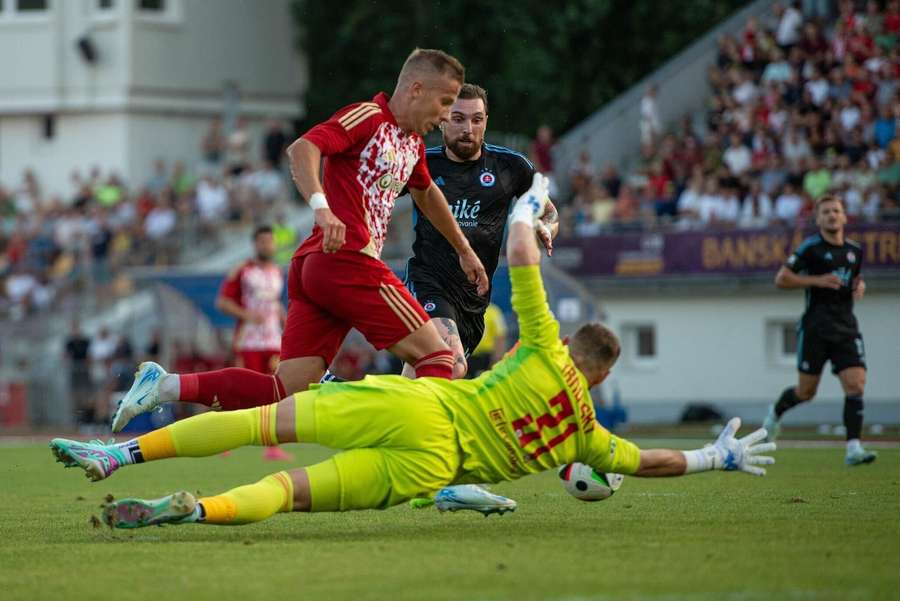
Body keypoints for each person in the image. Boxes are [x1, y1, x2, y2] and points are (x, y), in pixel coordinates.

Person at [49, 175, 776, 529]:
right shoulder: (587, 435)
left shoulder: (543, 348)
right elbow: (650, 462)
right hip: (429, 462)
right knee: (290, 491)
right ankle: (201, 510)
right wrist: (718, 457)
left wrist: (531, 201)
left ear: (570, 345)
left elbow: (521, 254)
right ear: (605, 373)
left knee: (260, 422)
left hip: (410, 401)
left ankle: (119, 456)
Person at [109, 48, 487, 432]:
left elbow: (425, 193)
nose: (444, 116)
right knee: (439, 358)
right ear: (416, 89)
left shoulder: (411, 144)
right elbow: (303, 147)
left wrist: (464, 249)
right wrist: (321, 207)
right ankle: (427, 470)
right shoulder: (370, 117)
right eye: (443, 103)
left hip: (319, 269)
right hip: (348, 261)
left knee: (282, 390)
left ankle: (165, 385)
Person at [763, 194, 876, 466]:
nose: (832, 216)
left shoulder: (854, 251)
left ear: (844, 216)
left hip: (846, 328)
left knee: (856, 384)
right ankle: (774, 414)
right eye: (826, 212)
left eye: (836, 211)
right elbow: (782, 278)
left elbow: (854, 279)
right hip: (815, 328)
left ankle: (853, 449)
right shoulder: (810, 248)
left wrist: (860, 286)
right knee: (806, 392)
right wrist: (816, 280)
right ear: (818, 219)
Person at [213, 225, 291, 462]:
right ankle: (222, 439)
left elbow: (275, 304)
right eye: (263, 241)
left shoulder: (277, 271)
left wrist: (287, 323)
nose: (267, 245)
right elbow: (223, 302)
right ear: (255, 244)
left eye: (270, 241)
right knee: (241, 390)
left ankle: (272, 445)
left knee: (275, 391)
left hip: (272, 340)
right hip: (248, 341)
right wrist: (247, 315)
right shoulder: (242, 271)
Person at [466, 303, 507, 378]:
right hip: (467, 356)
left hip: (484, 357)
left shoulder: (493, 311)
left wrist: (497, 359)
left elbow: (500, 337)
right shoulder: (465, 309)